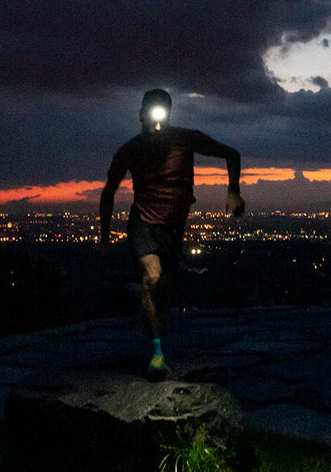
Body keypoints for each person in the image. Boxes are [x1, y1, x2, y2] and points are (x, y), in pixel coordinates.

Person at [100, 88, 245, 380]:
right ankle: (157, 354)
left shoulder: (186, 139)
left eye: (160, 112)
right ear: (141, 113)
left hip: (174, 227)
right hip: (142, 223)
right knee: (152, 276)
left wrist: (234, 191)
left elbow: (231, 154)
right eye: (150, 111)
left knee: (162, 292)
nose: (155, 119)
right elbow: (108, 193)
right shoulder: (129, 150)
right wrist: (104, 237)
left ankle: (143, 298)